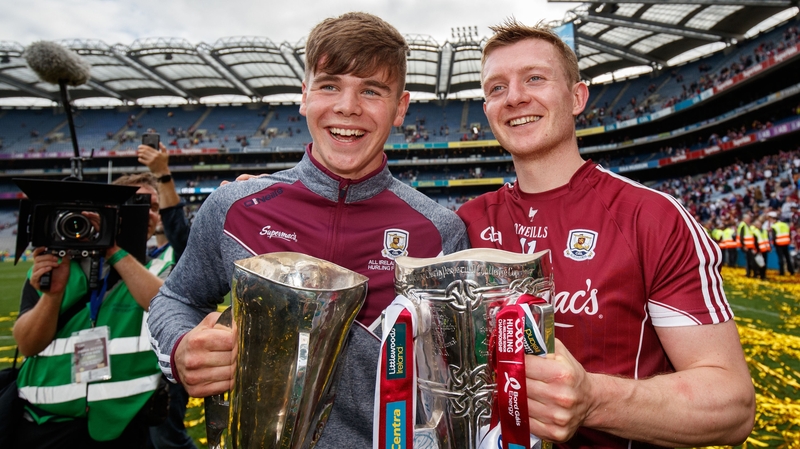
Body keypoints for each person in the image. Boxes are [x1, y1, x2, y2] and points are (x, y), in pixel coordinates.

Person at [146, 12, 468, 448]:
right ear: (304, 95)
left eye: (372, 90)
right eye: (329, 85)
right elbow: (177, 297)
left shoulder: (439, 233)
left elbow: (452, 383)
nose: (347, 106)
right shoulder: (234, 207)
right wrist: (180, 346)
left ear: (400, 108)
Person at [456, 19, 754, 448]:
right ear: (486, 110)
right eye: (497, 88)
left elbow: (733, 405)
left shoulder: (651, 217)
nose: (515, 97)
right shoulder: (465, 224)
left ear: (577, 97)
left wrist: (594, 399)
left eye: (535, 78)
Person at [13, 173, 172, 449]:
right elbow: (28, 345)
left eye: (154, 207)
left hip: (124, 420)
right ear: (110, 209)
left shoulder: (160, 268)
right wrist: (52, 296)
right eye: (136, 203)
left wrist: (113, 250)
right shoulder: (53, 266)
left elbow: (163, 304)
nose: (147, 212)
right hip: (48, 422)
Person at [138, 141, 197, 449]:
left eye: (151, 206)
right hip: (124, 372)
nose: (148, 214)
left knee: (168, 441)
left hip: (164, 368)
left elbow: (181, 235)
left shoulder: (173, 255)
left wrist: (162, 176)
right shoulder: (106, 260)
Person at [767, 211, 795, 275]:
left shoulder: (774, 226)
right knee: (787, 258)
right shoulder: (785, 225)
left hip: (778, 244)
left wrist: (773, 244)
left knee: (781, 258)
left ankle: (782, 272)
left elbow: (774, 237)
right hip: (786, 243)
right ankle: (791, 271)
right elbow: (789, 233)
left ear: (774, 219)